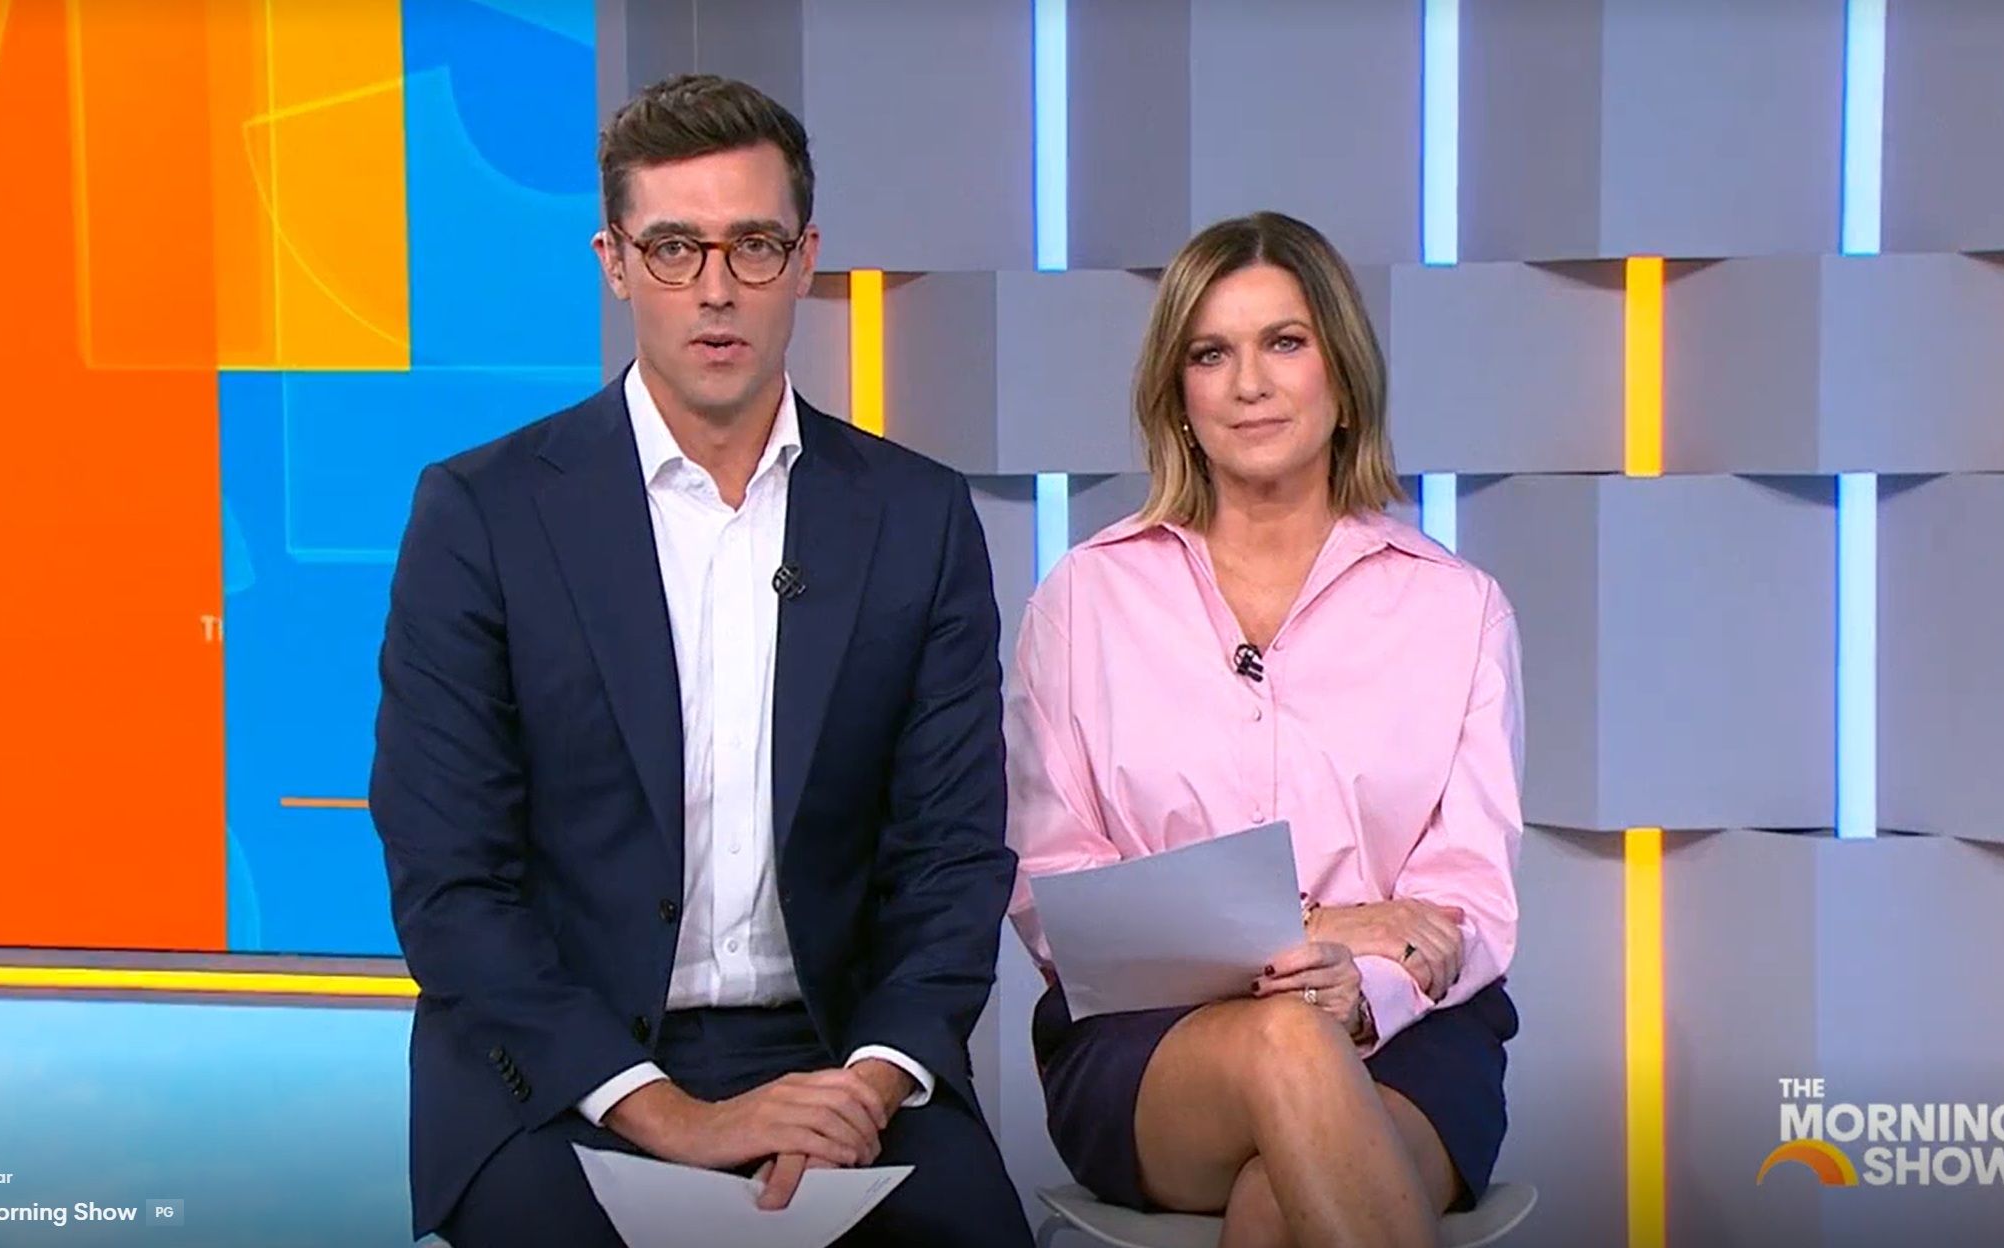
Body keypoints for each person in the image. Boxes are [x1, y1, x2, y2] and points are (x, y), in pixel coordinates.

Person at [370, 73, 1031, 1247]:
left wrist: (866, 1084)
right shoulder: (484, 514)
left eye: (753, 245)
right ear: (615, 263)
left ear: (805, 259)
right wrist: (671, 1115)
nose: (715, 288)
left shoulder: (914, 518)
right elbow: (450, 883)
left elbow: (951, 859)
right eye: (673, 248)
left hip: (833, 1054)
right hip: (566, 1070)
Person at [1006, 212, 1524, 1248]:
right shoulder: (1085, 600)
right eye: (1211, 353)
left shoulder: (1457, 609)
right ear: (1178, 397)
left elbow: (1466, 904)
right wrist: (1317, 928)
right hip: (1150, 1045)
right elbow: (1053, 896)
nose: (1248, 383)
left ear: (1343, 379)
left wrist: (1364, 983)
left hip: (1407, 1034)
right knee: (1288, 1041)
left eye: (1284, 342)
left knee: (1278, 1204)